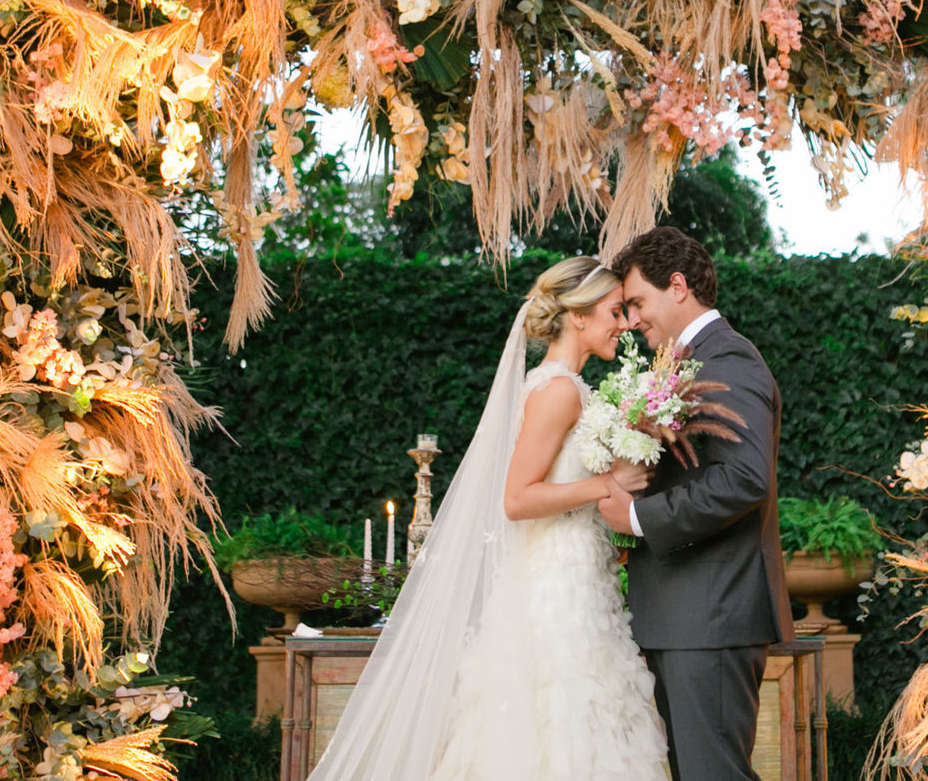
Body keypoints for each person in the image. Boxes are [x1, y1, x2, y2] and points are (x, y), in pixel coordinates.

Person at [309, 255, 669, 781]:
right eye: (615, 311)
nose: (625, 323)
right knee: (565, 719)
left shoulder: (568, 386)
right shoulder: (560, 391)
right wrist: (606, 486)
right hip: (557, 592)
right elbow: (517, 499)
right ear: (579, 316)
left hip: (581, 579)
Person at [600, 226, 796, 781]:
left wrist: (638, 517)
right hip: (680, 617)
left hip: (709, 619)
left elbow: (743, 478)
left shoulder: (728, 357)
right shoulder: (685, 362)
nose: (633, 320)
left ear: (678, 285)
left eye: (637, 302)